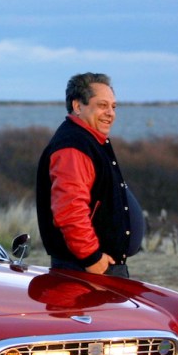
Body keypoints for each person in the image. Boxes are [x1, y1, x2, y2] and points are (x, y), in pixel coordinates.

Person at [36, 72, 140, 278]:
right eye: (102, 105)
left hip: (96, 267)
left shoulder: (89, 141)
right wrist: (92, 258)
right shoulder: (74, 147)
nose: (110, 113)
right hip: (86, 270)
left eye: (113, 106)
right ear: (77, 106)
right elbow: (69, 209)